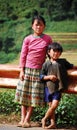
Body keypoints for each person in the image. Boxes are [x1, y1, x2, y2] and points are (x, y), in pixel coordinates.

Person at [15, 15, 52, 128]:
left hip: (38, 71)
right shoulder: (27, 39)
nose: (38, 27)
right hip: (26, 70)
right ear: (32, 26)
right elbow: (23, 55)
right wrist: (21, 70)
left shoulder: (47, 39)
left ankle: (27, 119)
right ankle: (22, 119)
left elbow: (50, 54)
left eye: (41, 24)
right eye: (36, 24)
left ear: (44, 26)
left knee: (33, 97)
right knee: (24, 95)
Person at [40, 42, 77, 129]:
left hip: (58, 88)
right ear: (49, 52)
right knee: (51, 107)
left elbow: (72, 66)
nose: (56, 53)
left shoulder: (63, 62)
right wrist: (49, 77)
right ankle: (53, 123)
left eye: (58, 52)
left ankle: (44, 119)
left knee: (54, 105)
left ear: (60, 53)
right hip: (48, 87)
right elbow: (41, 76)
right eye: (54, 51)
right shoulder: (46, 64)